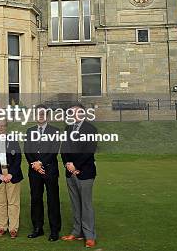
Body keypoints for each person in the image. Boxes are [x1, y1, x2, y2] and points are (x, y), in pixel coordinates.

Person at [60, 103, 98, 248]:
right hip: (70, 172)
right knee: (75, 204)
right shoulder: (68, 128)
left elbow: (89, 152)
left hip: (85, 173)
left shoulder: (90, 129)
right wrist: (67, 164)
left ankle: (89, 236)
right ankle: (77, 232)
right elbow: (64, 148)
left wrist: (76, 166)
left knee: (86, 205)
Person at [24, 104, 62, 241]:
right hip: (34, 171)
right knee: (35, 199)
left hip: (50, 170)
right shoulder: (29, 131)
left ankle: (54, 230)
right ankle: (37, 228)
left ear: (47, 116)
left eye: (43, 114)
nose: (40, 116)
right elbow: (27, 150)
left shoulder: (55, 131)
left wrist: (41, 163)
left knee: (52, 200)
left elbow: (54, 150)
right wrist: (35, 165)